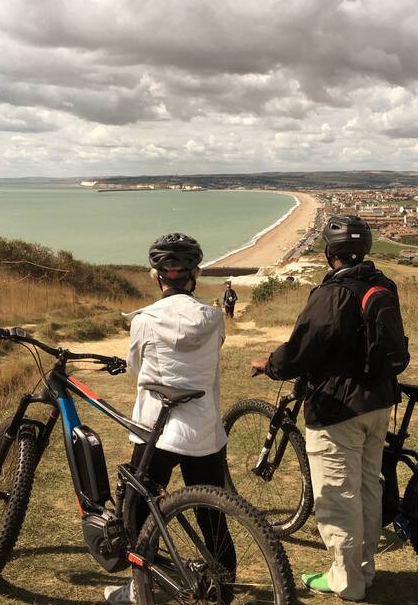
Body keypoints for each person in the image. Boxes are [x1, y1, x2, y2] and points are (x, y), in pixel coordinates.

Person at [251, 215, 404, 602]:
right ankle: (364, 569)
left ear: (329, 252)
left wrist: (271, 366)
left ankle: (346, 581)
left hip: (339, 409)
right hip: (379, 401)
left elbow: (301, 348)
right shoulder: (382, 284)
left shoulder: (332, 293)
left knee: (338, 496)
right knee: (367, 488)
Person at [105, 232, 234, 604]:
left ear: (156, 277)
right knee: (214, 518)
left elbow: (135, 369)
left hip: (156, 432)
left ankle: (140, 589)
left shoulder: (144, 320)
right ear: (195, 276)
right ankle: (224, 589)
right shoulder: (214, 318)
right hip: (205, 431)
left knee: (137, 513)